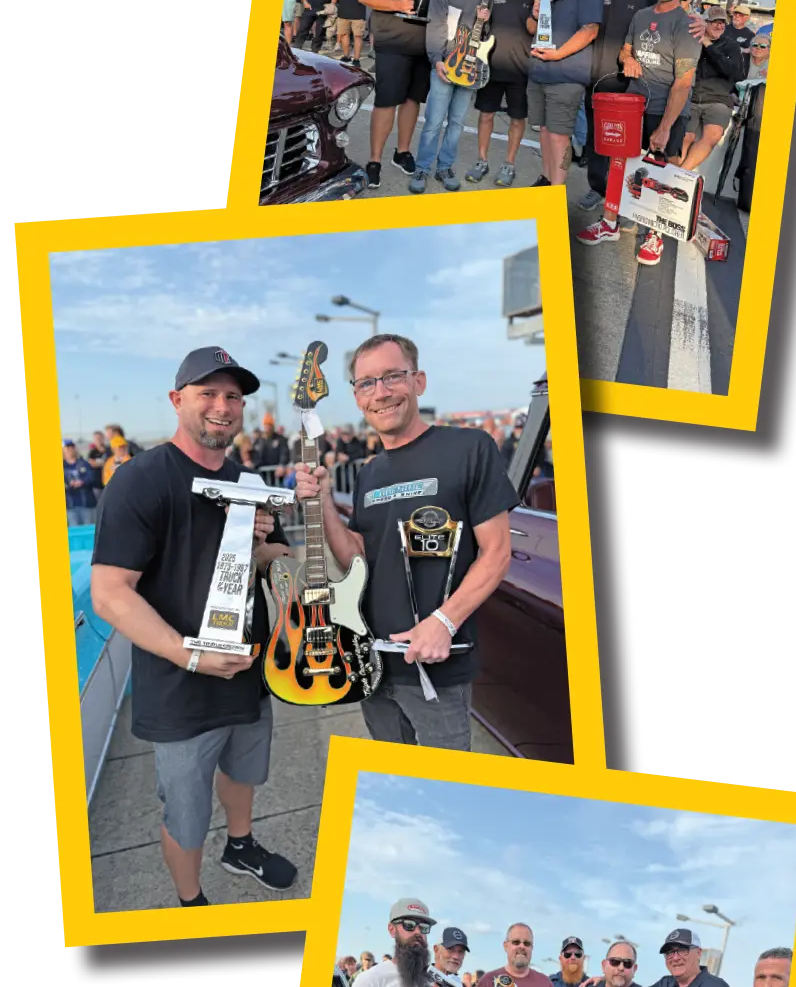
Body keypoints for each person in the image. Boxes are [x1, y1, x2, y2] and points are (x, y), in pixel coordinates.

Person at [90, 347, 298, 906]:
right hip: (180, 687)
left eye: (233, 396)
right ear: (177, 399)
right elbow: (109, 594)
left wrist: (264, 548)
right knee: (185, 807)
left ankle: (241, 844)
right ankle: (191, 903)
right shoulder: (141, 481)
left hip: (247, 672)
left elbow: (256, 562)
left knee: (244, 771)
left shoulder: (247, 481)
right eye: (208, 393)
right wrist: (189, 655)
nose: (223, 406)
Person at [292, 334, 516, 752]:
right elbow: (357, 558)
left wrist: (444, 622)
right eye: (367, 383)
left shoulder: (468, 448)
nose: (381, 392)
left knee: (446, 794)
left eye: (393, 376)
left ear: (419, 382)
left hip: (433, 663)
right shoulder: (369, 472)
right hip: (371, 661)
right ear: (357, 398)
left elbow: (497, 552)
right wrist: (322, 503)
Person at [576, 0, 702, 264]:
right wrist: (627, 60)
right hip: (633, 104)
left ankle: (653, 236)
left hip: (667, 111)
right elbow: (626, 49)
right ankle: (609, 224)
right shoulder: (643, 15)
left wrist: (664, 128)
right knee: (620, 165)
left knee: (663, 173)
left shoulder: (688, 26)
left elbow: (683, 83)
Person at [358, 0, 451, 189]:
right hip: (393, 42)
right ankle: (374, 160)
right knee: (387, 101)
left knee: (412, 101)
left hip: (425, 46)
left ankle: (402, 151)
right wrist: (396, 4)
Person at [574, 0, 658, 218]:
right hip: (596, 79)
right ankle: (597, 188)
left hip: (632, 82)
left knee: (629, 143)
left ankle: (627, 193)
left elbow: (668, 23)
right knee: (596, 138)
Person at [409, 0, 492, 193]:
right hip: (445, 64)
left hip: (470, 66)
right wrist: (437, 59)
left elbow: (485, 34)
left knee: (456, 122)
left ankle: (445, 167)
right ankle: (422, 167)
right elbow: (435, 25)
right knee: (434, 121)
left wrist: (485, 22)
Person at [527, 0, 603, 187]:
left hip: (566, 76)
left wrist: (558, 54)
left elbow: (590, 30)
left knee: (560, 137)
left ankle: (556, 191)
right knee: (545, 132)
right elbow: (531, 28)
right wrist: (535, 13)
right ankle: (545, 178)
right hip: (540, 72)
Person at [465, 0, 537, 188]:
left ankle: (509, 162)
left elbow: (535, 30)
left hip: (522, 69)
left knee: (517, 118)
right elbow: (479, 22)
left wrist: (537, 13)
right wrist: (480, 16)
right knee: (485, 114)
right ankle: (481, 159)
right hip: (491, 64)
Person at [677, 6, 744, 172]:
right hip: (691, 98)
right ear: (704, 23)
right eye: (715, 22)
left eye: (722, 23)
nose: (719, 26)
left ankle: (680, 174)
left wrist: (708, 44)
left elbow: (734, 72)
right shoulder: (691, 40)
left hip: (718, 99)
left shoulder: (731, 45)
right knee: (686, 136)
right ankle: (674, 175)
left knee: (712, 136)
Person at [735, 36, 770, 211]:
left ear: (770, 49)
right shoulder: (743, 60)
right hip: (738, 105)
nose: (757, 48)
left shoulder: (773, 65)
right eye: (754, 45)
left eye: (763, 46)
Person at [62, 441, 95, 524]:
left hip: (86, 503)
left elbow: (92, 478)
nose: (70, 450)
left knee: (89, 530)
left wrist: (82, 482)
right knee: (75, 531)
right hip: (70, 504)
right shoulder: (63, 466)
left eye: (72, 447)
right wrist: (68, 485)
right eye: (67, 448)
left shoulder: (84, 463)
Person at [252, 412, 290, 484]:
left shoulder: (280, 439)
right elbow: (254, 455)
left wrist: (282, 465)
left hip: (277, 477)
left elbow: (284, 453)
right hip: (262, 476)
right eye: (266, 425)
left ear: (272, 426)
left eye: (269, 425)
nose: (267, 427)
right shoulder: (259, 441)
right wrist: (252, 463)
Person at [726, 1, 756, 66]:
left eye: (741, 15)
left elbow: (753, 51)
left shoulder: (751, 35)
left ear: (747, 18)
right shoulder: (722, 29)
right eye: (735, 14)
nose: (737, 16)